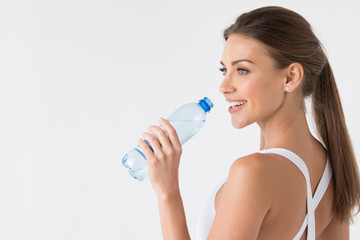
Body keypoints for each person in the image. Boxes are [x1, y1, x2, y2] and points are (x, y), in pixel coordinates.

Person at [138, 6, 360, 240]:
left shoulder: (252, 173)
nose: (224, 87)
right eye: (224, 70)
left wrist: (167, 192)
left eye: (242, 70)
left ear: (291, 77)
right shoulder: (332, 168)